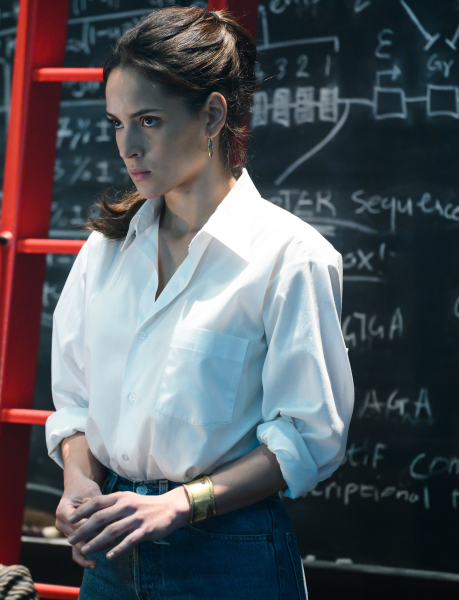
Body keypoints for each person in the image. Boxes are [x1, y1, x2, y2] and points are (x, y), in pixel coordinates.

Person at [44, 6, 354, 599]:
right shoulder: (105, 252)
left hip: (229, 551)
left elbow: (308, 437)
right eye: (116, 123)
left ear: (212, 115)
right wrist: (79, 482)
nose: (128, 146)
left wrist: (182, 504)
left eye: (149, 121)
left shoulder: (290, 256)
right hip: (112, 543)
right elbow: (76, 402)